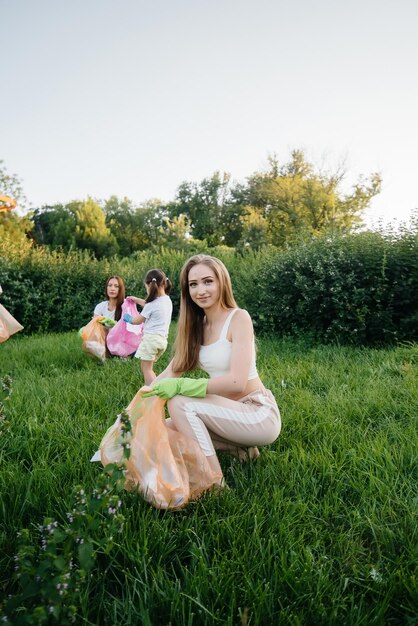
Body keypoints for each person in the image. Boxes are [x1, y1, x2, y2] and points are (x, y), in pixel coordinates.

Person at [142, 254, 281, 481]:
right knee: (158, 430)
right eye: (193, 284)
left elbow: (237, 381)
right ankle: (241, 449)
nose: (201, 291)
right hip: (226, 413)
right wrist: (137, 409)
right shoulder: (197, 326)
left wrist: (181, 386)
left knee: (180, 402)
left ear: (221, 282)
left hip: (257, 414)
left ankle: (213, 483)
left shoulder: (238, 318)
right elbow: (171, 371)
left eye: (208, 281)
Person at [123, 269, 173, 385]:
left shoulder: (151, 304)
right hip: (162, 341)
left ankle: (151, 390)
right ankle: (153, 387)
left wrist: (129, 318)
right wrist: (136, 300)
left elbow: (137, 321)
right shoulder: (166, 300)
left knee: (146, 369)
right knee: (149, 368)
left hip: (150, 341)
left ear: (149, 285)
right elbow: (150, 305)